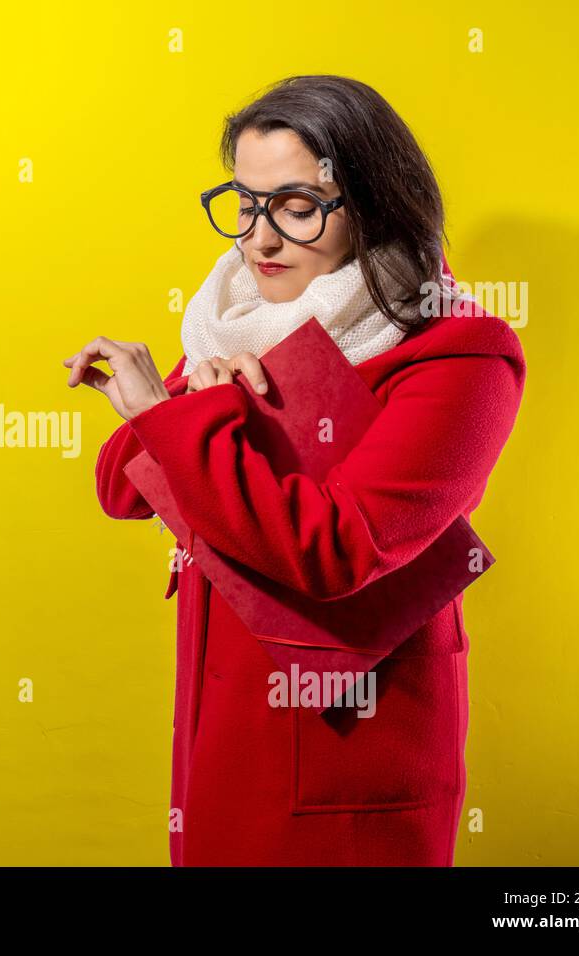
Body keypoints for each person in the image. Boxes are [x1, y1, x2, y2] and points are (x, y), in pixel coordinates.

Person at [62, 74, 526, 866]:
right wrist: (190, 409)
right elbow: (124, 486)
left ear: (373, 201)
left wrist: (179, 414)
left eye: (297, 207)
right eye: (245, 203)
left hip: (352, 745)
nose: (259, 240)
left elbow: (338, 548)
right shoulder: (242, 315)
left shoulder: (460, 353)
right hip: (225, 723)